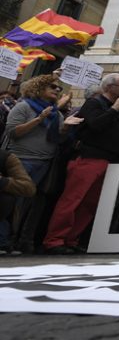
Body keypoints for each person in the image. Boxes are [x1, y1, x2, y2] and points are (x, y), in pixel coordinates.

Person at [43, 73, 119, 254]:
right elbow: (96, 125)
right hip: (88, 158)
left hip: (107, 160)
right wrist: (115, 109)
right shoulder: (94, 104)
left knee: (89, 203)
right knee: (72, 200)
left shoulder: (117, 107)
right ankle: (55, 239)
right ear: (109, 87)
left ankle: (72, 238)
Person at [2, 75, 76, 253]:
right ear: (38, 88)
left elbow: (56, 139)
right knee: (13, 202)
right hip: (20, 160)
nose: (58, 90)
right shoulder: (24, 106)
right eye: (53, 86)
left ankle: (18, 241)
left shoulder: (55, 113)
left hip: (43, 163)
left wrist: (65, 127)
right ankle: (4, 241)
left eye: (59, 88)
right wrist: (38, 120)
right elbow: (13, 132)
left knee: (29, 204)